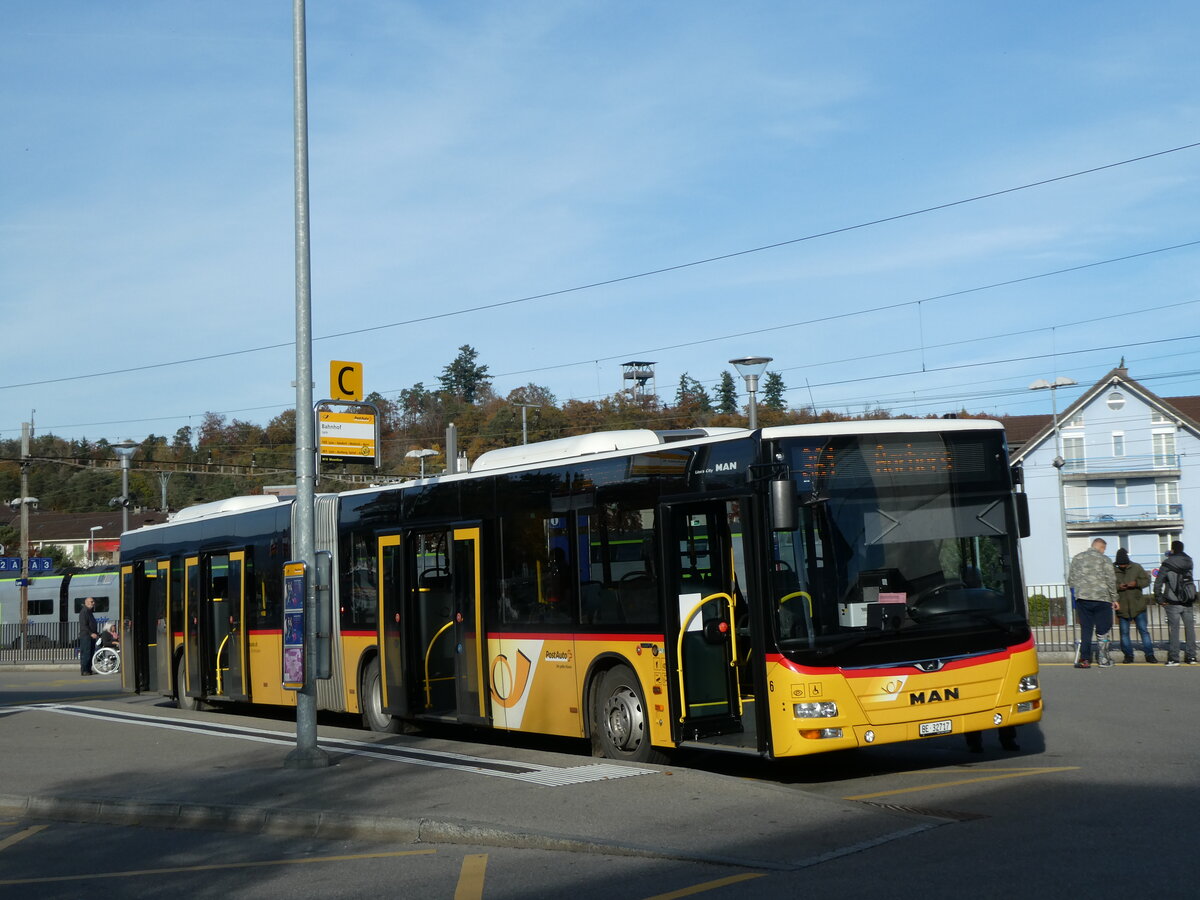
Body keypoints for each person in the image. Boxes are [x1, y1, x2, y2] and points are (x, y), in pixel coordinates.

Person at [1069, 537, 1118, 669]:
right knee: (1103, 629)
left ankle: (1085, 659)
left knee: (1086, 629)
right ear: (1101, 547)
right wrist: (1114, 598)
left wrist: (1077, 594)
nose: (1103, 551)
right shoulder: (1105, 560)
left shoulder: (1077, 558)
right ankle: (1103, 659)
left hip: (1083, 599)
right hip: (1102, 599)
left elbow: (1071, 580)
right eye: (1104, 549)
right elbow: (1110, 580)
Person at [1154, 540, 1196, 666]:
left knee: (1174, 630)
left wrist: (1159, 599)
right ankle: (1192, 657)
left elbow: (1158, 582)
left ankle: (1174, 658)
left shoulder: (1167, 563)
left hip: (1172, 602)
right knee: (1190, 629)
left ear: (1172, 549)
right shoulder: (1189, 561)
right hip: (1188, 600)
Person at [1114, 548, 1157, 664]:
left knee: (1143, 631)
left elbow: (1147, 580)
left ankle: (1150, 654)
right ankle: (1128, 655)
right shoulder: (1112, 570)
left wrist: (1136, 583)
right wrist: (1118, 586)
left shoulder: (1137, 567)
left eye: (1124, 564)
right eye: (1120, 565)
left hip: (1138, 606)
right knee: (1124, 633)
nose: (1122, 566)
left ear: (1127, 562)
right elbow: (1109, 584)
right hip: (1122, 607)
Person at [78, 597, 99, 676]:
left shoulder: (89, 611)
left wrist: (96, 633)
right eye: (91, 602)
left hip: (91, 636)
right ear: (86, 602)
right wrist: (91, 633)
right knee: (86, 653)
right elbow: (84, 625)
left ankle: (88, 669)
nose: (93, 603)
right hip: (86, 636)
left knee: (90, 653)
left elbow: (91, 624)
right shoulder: (84, 612)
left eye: (93, 602)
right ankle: (84, 670)